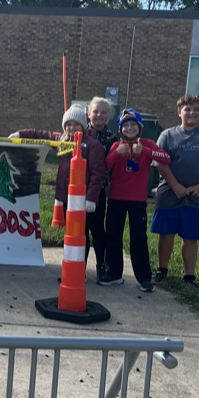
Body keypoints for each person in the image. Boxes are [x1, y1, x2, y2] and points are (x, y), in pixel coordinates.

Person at [12, 105, 106, 266]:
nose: (71, 127)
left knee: (84, 234)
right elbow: (40, 134)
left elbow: (98, 174)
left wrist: (91, 199)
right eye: (68, 124)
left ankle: (93, 268)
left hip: (84, 199)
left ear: (83, 126)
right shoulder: (61, 140)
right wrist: (20, 133)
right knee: (72, 234)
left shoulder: (92, 145)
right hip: (66, 197)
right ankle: (75, 267)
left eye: (76, 124)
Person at [151, 94, 199, 288]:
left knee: (190, 236)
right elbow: (160, 162)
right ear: (179, 112)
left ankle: (189, 276)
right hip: (169, 192)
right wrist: (175, 185)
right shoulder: (167, 135)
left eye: (196, 109)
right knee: (166, 234)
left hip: (197, 196)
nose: (192, 113)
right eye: (187, 109)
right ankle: (162, 270)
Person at [100, 109, 171, 291]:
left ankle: (143, 277)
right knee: (113, 235)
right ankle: (114, 273)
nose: (130, 128)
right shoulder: (117, 146)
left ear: (140, 127)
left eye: (133, 124)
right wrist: (117, 153)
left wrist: (145, 151)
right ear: (120, 129)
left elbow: (166, 158)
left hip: (138, 200)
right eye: (126, 125)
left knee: (138, 237)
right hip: (116, 198)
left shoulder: (147, 144)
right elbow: (105, 165)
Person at [85, 97, 117, 279]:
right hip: (78, 190)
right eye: (95, 111)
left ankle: (101, 265)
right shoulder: (81, 133)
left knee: (97, 229)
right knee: (80, 231)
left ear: (109, 116)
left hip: (98, 193)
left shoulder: (112, 139)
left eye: (103, 112)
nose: (99, 115)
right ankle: (78, 267)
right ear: (89, 113)